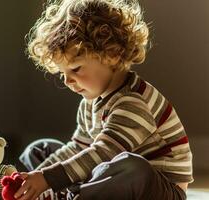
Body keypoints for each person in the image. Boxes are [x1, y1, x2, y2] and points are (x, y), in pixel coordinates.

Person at [15, 0, 193, 199]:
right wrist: (34, 178)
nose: (66, 81)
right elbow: (79, 148)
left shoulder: (132, 102)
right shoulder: (89, 103)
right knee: (40, 150)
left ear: (113, 54)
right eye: (62, 72)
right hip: (109, 171)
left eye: (75, 68)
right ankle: (53, 193)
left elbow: (105, 152)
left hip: (156, 190)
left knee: (131, 166)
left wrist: (48, 179)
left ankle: (67, 194)